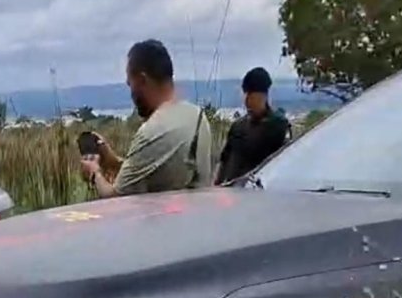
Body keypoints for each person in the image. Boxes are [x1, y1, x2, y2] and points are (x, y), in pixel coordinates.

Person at [79, 39, 212, 198]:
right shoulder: (198, 116)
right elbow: (155, 168)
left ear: (142, 80)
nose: (131, 92)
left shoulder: (153, 131)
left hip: (167, 222)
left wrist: (94, 173)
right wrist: (113, 161)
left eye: (130, 84)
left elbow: (114, 196)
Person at [214, 66, 290, 185]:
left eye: (253, 97)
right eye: (247, 96)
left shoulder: (278, 126)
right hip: (232, 189)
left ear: (264, 96)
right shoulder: (238, 128)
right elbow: (225, 162)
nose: (248, 101)